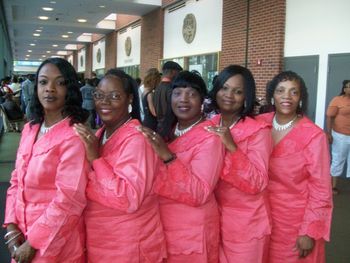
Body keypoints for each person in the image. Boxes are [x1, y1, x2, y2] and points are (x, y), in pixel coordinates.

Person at [73, 68, 167, 262]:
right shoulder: (100, 135)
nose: (105, 102)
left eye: (115, 96)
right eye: (99, 95)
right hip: (100, 238)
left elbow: (128, 198)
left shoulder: (138, 140)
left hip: (129, 243)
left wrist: (95, 160)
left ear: (130, 99)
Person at [3, 57, 90, 262]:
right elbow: (16, 179)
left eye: (59, 83)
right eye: (43, 82)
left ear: (69, 89)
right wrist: (11, 226)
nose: (49, 89)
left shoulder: (74, 136)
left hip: (56, 242)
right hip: (21, 234)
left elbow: (69, 200)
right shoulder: (30, 128)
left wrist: (33, 243)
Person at [139, 71, 225, 262]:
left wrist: (169, 158)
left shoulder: (210, 137)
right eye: (177, 93)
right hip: (161, 223)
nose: (183, 100)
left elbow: (199, 193)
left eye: (192, 94)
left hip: (192, 228)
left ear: (202, 100)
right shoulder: (166, 129)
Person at [258, 71, 332, 262]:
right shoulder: (259, 124)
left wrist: (309, 231)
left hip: (295, 222)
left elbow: (321, 190)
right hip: (259, 217)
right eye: (280, 90)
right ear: (272, 96)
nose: (286, 97)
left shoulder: (314, 136)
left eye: (294, 92)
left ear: (301, 98)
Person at [206, 65, 272, 263]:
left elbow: (258, 182)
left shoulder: (259, 130)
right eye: (224, 88)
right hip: (214, 219)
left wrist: (232, 147)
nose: (229, 95)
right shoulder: (210, 124)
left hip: (247, 223)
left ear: (246, 96)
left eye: (238, 91)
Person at [326, 79, 350, 195]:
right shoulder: (337, 100)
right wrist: (329, 133)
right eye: (348, 87)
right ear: (344, 89)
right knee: (338, 160)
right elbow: (329, 117)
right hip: (341, 135)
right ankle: (332, 186)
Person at [153, 61, 183, 140]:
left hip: (159, 127)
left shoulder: (157, 88)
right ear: (173, 72)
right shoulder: (172, 89)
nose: (178, 75)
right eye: (178, 72)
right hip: (170, 129)